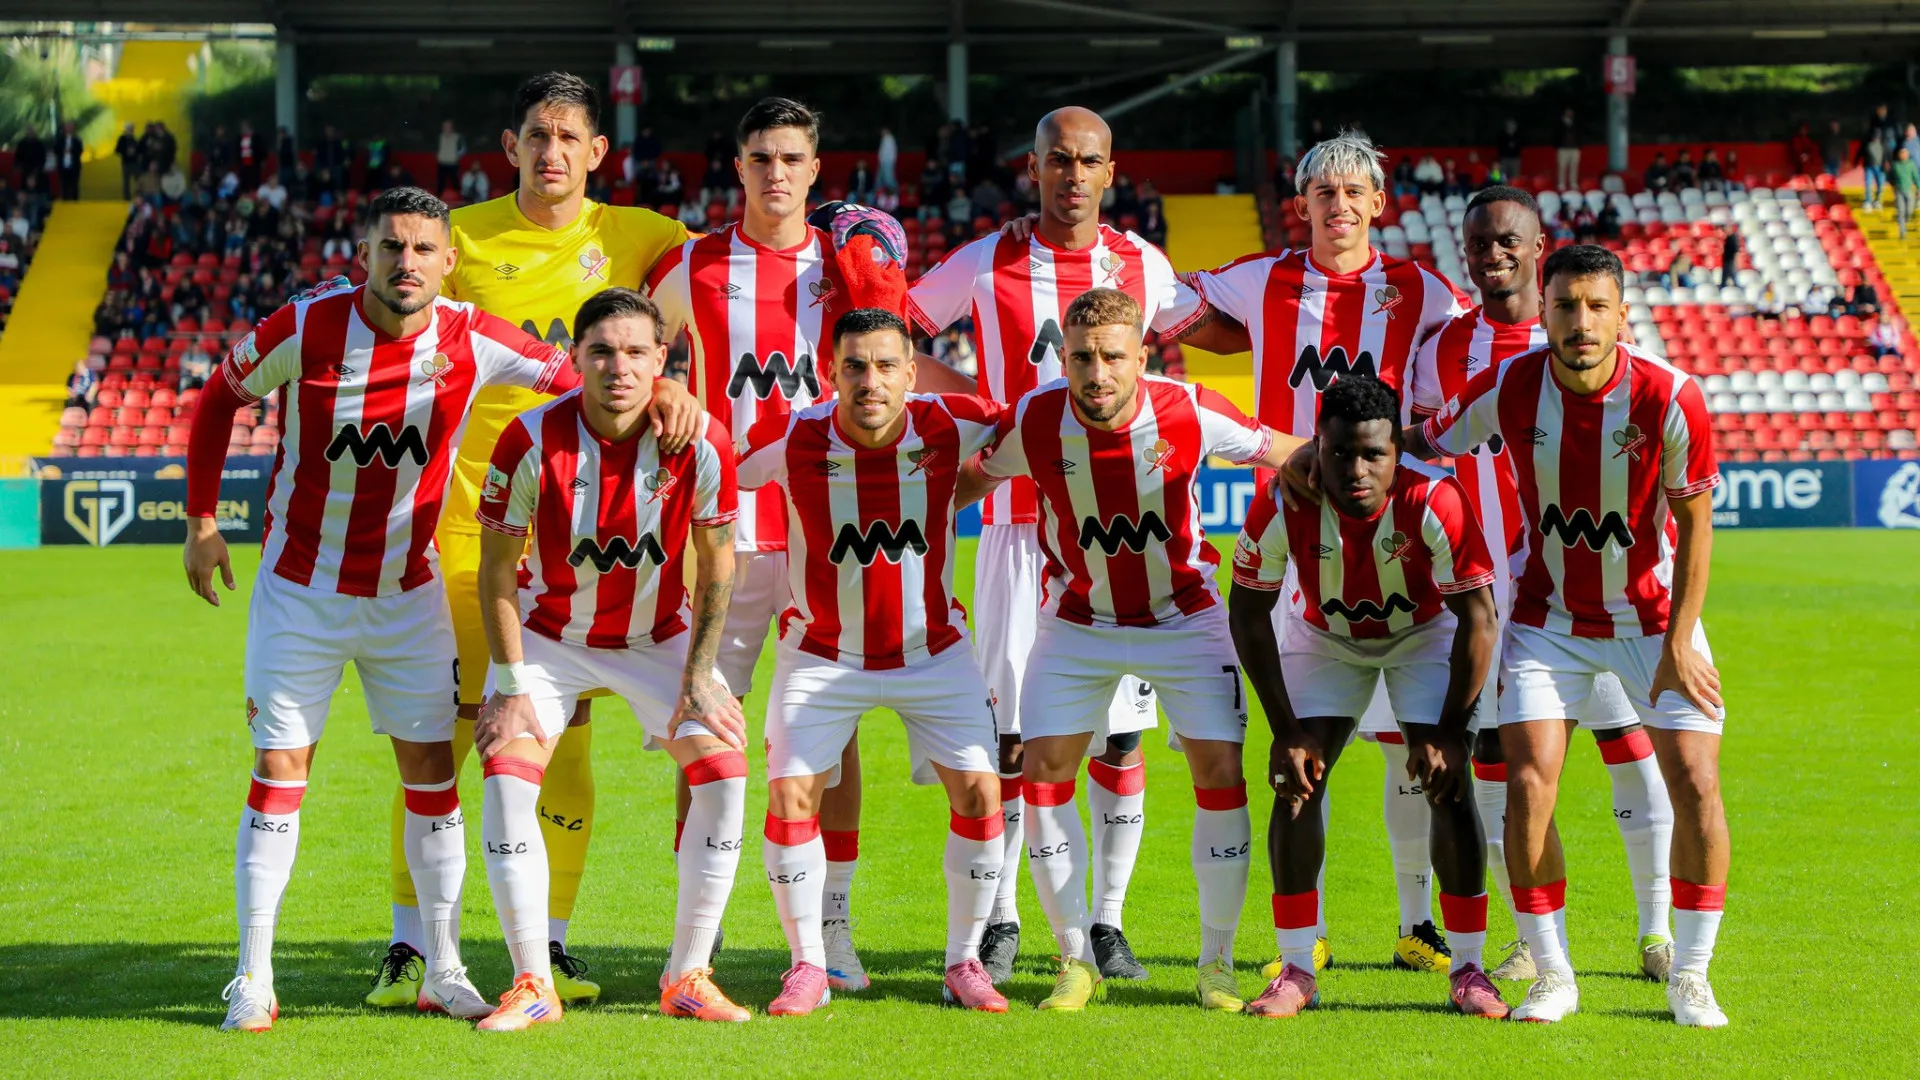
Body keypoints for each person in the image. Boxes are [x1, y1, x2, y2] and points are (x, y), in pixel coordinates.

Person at [179, 187, 590, 1033]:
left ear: (449, 261)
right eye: (390, 247)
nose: (406, 263)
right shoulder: (304, 325)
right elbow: (218, 400)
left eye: (423, 250)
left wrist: (662, 396)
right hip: (301, 593)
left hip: (409, 598)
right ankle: (252, 978)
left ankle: (442, 969)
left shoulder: (472, 335)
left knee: (433, 783)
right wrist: (201, 522)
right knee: (280, 777)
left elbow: (580, 380)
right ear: (363, 253)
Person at [364, 71, 702, 1013]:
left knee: (568, 749)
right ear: (509, 145)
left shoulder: (637, 236)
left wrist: (678, 386)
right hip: (468, 534)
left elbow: (710, 292)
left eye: (569, 137)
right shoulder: (458, 238)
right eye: (535, 134)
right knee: (449, 740)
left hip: (585, 543)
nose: (551, 151)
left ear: (598, 153)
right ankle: (409, 947)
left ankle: (545, 948)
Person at [906, 105, 1253, 985]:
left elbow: (1188, 355)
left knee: (1122, 741)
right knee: (1017, 739)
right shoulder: (986, 260)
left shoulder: (1144, 264)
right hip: (1021, 528)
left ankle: (1107, 922)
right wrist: (982, 410)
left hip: (1123, 534)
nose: (1072, 175)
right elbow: (900, 337)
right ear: (1033, 166)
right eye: (1057, 160)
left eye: (1087, 162)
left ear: (1109, 172)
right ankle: (1008, 919)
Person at [1389, 243, 1732, 1027]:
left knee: (1697, 784)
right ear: (1543, 310)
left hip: (1652, 621)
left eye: (1597, 306)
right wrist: (1338, 446)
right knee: (1528, 786)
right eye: (1566, 306)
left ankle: (1693, 974)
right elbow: (1428, 439)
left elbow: (1696, 525)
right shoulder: (1511, 384)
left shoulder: (1672, 395)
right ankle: (1553, 973)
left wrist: (1680, 643)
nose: (1581, 322)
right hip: (1547, 622)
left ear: (1622, 311)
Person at [958, 287, 1306, 1013]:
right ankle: (1074, 960)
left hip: (1183, 618)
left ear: (1141, 357)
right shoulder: (1038, 416)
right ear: (1064, 357)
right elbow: (971, 479)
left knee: (1219, 771)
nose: (1097, 373)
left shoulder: (1187, 407)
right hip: (1077, 620)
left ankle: (1215, 964)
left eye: (1113, 357)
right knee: (1044, 769)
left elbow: (1287, 451)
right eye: (1081, 357)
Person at [1188, 129, 1471, 976]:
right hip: (1291, 532)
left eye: (1355, 193)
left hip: (1395, 537)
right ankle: (1298, 938)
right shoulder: (1259, 279)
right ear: (1301, 205)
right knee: (1300, 744)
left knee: (1403, 748)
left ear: (1379, 204)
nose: (1339, 206)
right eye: (1324, 193)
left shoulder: (1421, 289)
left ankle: (1416, 922)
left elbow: (1462, 361)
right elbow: (1173, 310)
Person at [646, 97, 909, 996]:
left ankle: (832, 931)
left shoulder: (850, 270)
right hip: (719, 537)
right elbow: (642, 364)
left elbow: (895, 373)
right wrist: (670, 399)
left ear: (814, 168)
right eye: (760, 157)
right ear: (739, 165)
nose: (775, 173)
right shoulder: (692, 266)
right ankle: (697, 945)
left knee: (830, 744)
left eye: (791, 158)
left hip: (825, 539)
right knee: (701, 731)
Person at [471, 287, 749, 1029]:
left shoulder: (702, 439)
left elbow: (717, 559)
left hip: (658, 638)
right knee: (506, 772)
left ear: (662, 361)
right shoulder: (530, 440)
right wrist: (508, 684)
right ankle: (533, 983)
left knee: (723, 770)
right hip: (552, 637)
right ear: (577, 360)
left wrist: (699, 672)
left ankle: (688, 974)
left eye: (635, 353)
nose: (618, 367)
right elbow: (496, 568)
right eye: (600, 352)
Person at [739, 307, 1012, 1017]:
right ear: (831, 374)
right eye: (855, 366)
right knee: (791, 796)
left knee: (983, 796)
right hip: (822, 655)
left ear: (912, 373)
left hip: (934, 652)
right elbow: (712, 464)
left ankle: (963, 961)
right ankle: (807, 963)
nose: (871, 380)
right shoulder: (795, 433)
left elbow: (1038, 420)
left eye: (887, 365)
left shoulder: (953, 423)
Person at [1231, 374, 1505, 1019]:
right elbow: (1247, 610)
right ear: (1315, 447)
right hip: (1325, 637)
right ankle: (1296, 967)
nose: (1357, 469)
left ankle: (1469, 968)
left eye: (1374, 454)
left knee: (1450, 783)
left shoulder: (1436, 498)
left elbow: (1479, 619)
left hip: (1422, 636)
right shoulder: (1283, 500)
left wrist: (1447, 731)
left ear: (1396, 452)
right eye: (1340, 453)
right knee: (1295, 780)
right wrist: (1285, 727)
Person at [1892, 146, 1920, 239]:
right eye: (1901, 154)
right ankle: (1902, 232)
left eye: (1905, 153)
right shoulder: (1896, 165)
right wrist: (1894, 186)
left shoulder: (1911, 164)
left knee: (1909, 210)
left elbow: (1916, 177)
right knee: (1901, 211)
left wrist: (1918, 188)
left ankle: (1905, 220)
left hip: (1909, 190)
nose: (1903, 155)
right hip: (1899, 191)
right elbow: (1891, 177)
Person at [1860, 126, 1890, 212]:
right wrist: (1856, 161)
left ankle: (1877, 201)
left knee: (1881, 185)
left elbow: (1889, 155)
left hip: (1880, 168)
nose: (1876, 139)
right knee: (1868, 184)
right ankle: (1868, 201)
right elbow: (1861, 152)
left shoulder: (1884, 144)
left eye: (1877, 137)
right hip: (1869, 167)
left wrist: (1888, 163)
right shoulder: (1867, 144)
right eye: (1874, 137)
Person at [436, 119, 465, 194]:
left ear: (451, 127)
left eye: (448, 126)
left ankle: (459, 200)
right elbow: (436, 147)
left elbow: (463, 148)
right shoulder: (440, 136)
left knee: (455, 183)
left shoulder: (457, 137)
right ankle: (439, 199)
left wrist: (456, 156)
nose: (446, 128)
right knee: (440, 184)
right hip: (442, 163)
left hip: (453, 164)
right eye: (444, 126)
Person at [56, 122, 83, 201]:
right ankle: (65, 202)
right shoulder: (60, 139)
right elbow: (55, 150)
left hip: (74, 166)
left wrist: (72, 151)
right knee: (64, 185)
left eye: (71, 127)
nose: (69, 128)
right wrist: (63, 151)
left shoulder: (77, 139)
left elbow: (80, 151)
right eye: (67, 127)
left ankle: (75, 202)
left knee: (74, 185)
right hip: (63, 166)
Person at [115, 122, 142, 200]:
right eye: (130, 129)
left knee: (138, 181)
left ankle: (138, 198)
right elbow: (117, 150)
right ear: (126, 129)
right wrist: (126, 152)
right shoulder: (122, 139)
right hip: (126, 164)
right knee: (126, 183)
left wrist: (135, 153)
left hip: (135, 163)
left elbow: (139, 150)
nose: (132, 130)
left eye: (132, 129)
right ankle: (126, 199)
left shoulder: (134, 139)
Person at [1555, 110, 1580, 191]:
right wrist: (1558, 145)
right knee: (1562, 166)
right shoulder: (1559, 123)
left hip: (1574, 148)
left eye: (1571, 112)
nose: (1570, 114)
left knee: (1574, 166)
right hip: (1563, 148)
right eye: (1568, 112)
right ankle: (1561, 183)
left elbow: (1579, 135)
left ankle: (1573, 182)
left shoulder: (1576, 123)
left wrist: (1578, 145)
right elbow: (1556, 135)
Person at [1497, 120, 1523, 186]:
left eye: (1513, 126)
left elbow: (1520, 146)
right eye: (1509, 126)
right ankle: (1503, 190)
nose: (1511, 128)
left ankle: (1515, 190)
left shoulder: (1518, 136)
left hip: (1515, 159)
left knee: (1515, 177)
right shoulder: (1502, 136)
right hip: (1504, 159)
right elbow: (1500, 147)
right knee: (1503, 176)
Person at [877, 126, 899, 194]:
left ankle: (896, 192)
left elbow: (891, 152)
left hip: (887, 162)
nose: (881, 132)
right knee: (880, 179)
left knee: (888, 179)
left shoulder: (889, 139)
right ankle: (879, 195)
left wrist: (890, 162)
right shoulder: (884, 139)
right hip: (883, 162)